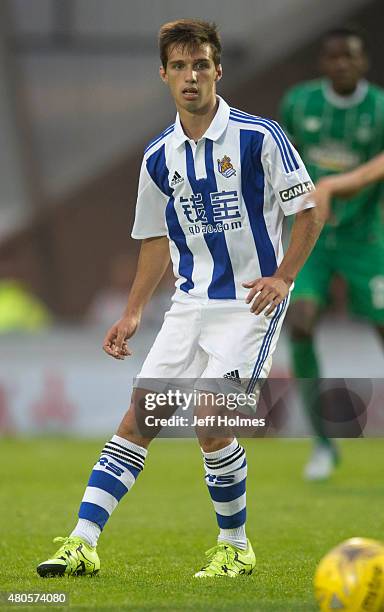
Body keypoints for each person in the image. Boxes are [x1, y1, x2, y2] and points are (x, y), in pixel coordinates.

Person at [37, 19, 321, 579]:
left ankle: (235, 546)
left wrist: (284, 277)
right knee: (138, 420)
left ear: (218, 70)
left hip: (249, 306)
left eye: (201, 65)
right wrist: (134, 310)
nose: (191, 77)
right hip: (188, 307)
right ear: (164, 75)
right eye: (180, 67)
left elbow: (307, 212)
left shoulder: (260, 137)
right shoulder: (159, 157)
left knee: (212, 419)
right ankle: (81, 543)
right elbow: (154, 239)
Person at [280, 27, 384, 480]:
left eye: (350, 56)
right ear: (324, 63)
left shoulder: (379, 108)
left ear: (363, 63)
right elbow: (281, 157)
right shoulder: (299, 103)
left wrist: (334, 184)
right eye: (333, 57)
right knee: (300, 324)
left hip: (367, 240)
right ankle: (323, 445)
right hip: (313, 240)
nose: (341, 63)